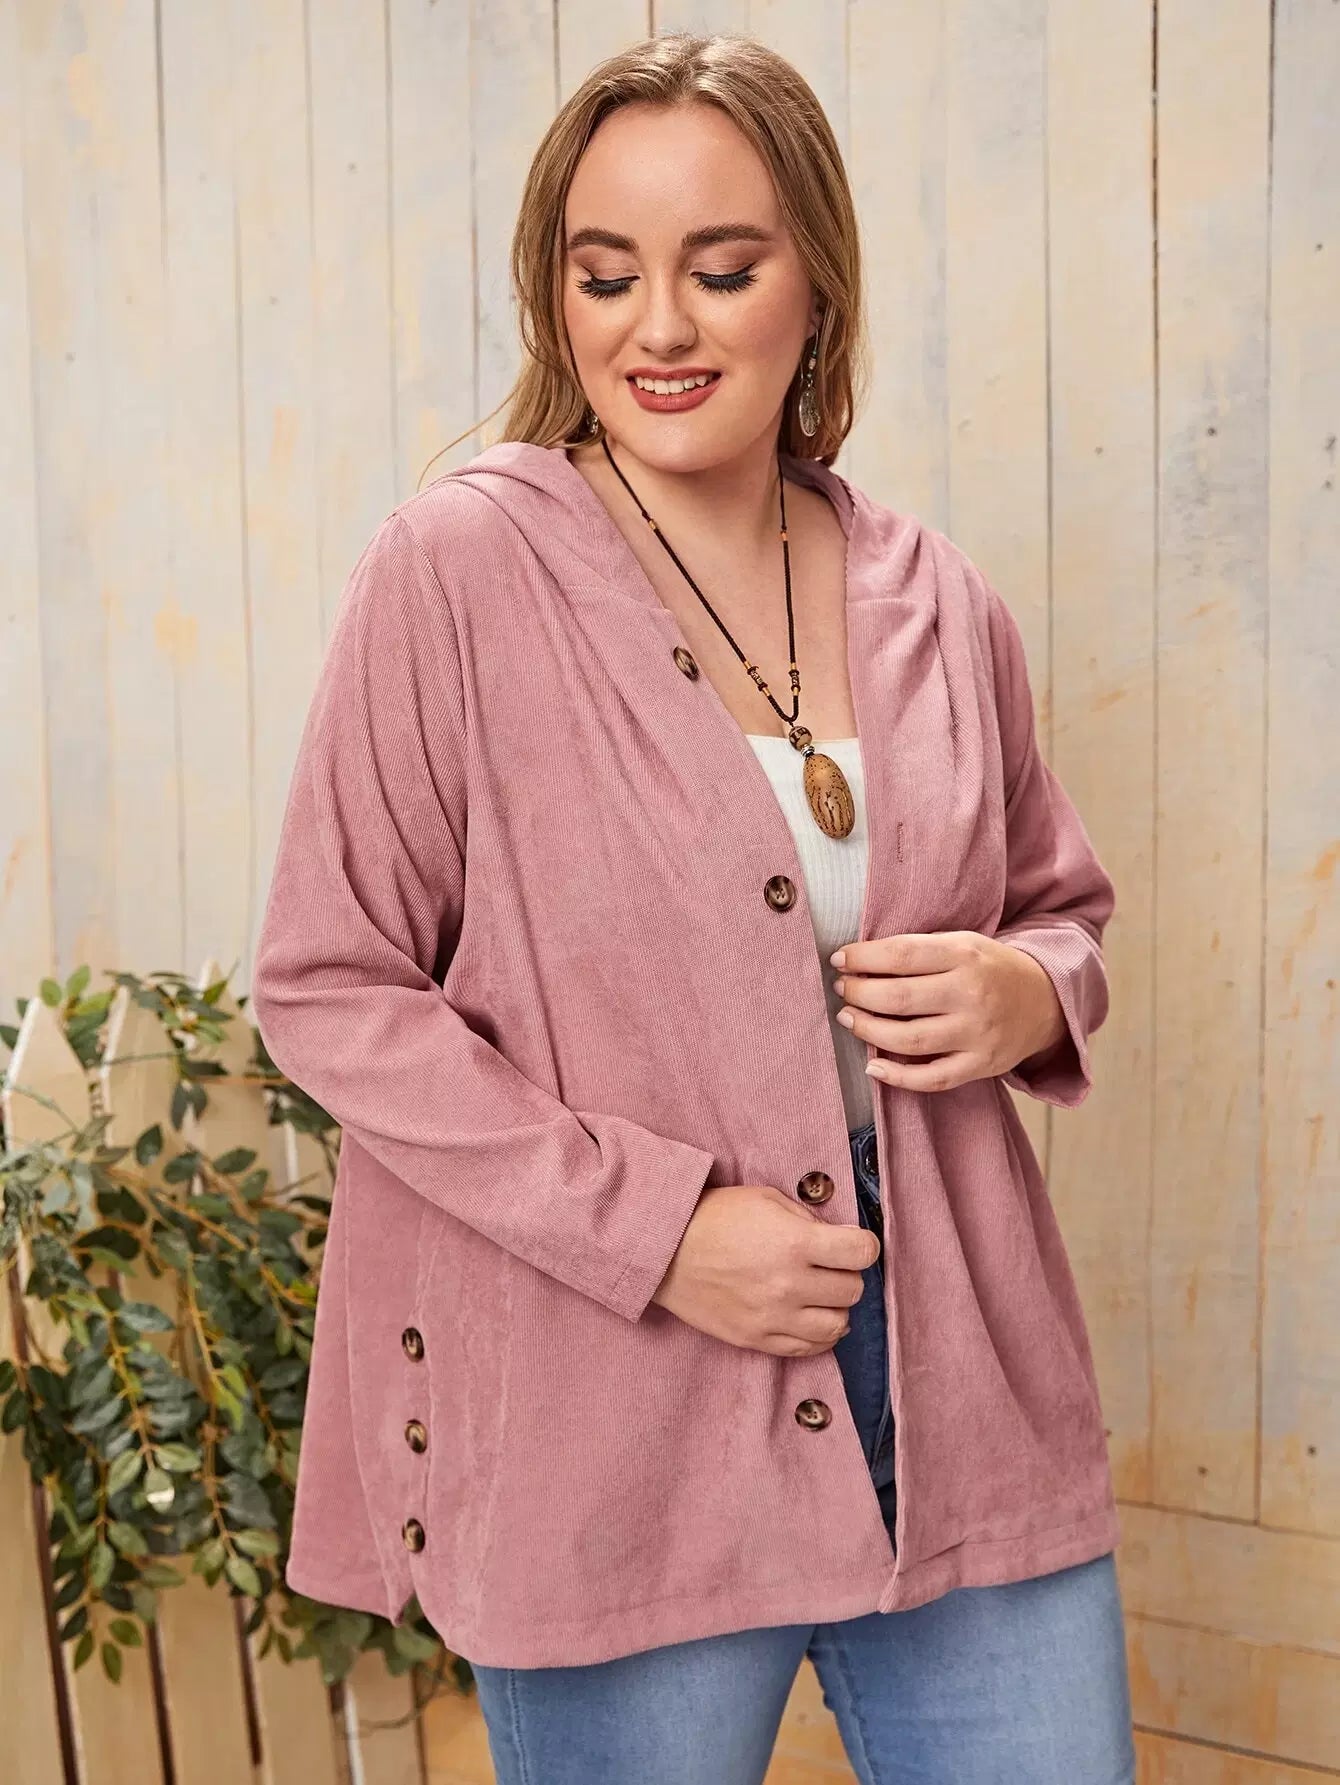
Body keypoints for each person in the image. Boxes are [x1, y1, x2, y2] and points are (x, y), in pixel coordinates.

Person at [250, 29, 1137, 1785]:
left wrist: (1030, 990)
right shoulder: (461, 572)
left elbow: (1061, 907)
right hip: (618, 1409)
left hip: (968, 1393)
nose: (659, 325)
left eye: (721, 270)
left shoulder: (935, 596)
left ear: (817, 288)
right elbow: (328, 983)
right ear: (556, 298)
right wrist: (659, 1234)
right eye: (607, 276)